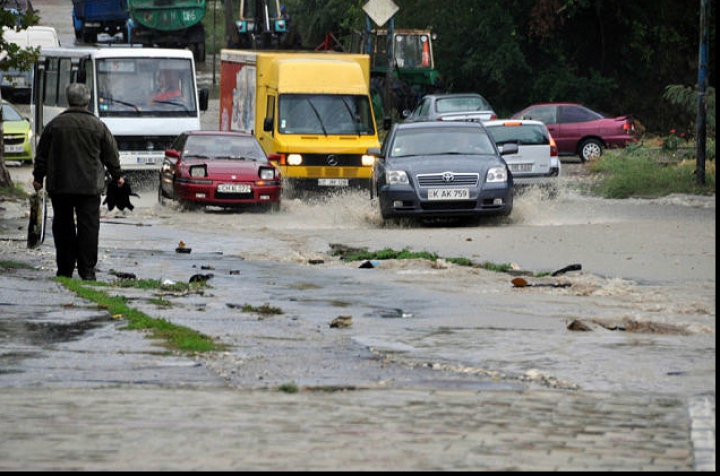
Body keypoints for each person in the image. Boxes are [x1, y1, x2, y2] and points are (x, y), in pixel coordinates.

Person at [32, 83, 124, 281]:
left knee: (62, 225)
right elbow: (111, 155)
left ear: (68, 100)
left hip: (60, 186)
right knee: (89, 227)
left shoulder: (54, 125)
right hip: (89, 186)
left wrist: (38, 178)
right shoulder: (98, 126)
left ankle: (65, 269)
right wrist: (117, 176)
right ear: (87, 101)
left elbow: (42, 155)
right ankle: (87, 271)